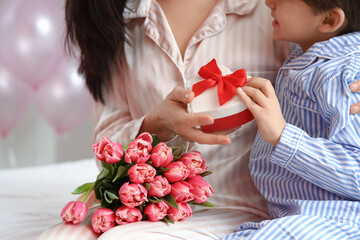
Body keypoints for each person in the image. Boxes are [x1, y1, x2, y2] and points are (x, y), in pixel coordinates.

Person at [37, 0, 360, 239]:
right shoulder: (111, 18)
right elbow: (105, 141)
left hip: (249, 208)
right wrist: (155, 125)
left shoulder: (277, 13)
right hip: (154, 205)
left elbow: (340, 29)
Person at [223, 0, 360, 239]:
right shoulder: (307, 54)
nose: (268, 2)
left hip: (336, 219)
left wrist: (282, 136)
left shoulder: (341, 74)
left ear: (328, 21)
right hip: (293, 216)